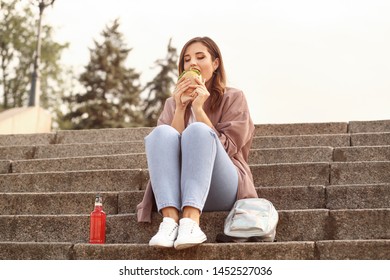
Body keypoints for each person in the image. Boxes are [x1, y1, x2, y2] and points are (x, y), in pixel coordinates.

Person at [137, 36, 258, 250]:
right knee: (161, 133)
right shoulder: (171, 104)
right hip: (177, 190)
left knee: (199, 130)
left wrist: (199, 110)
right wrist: (181, 108)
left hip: (221, 186)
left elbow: (228, 148)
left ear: (215, 64)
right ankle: (170, 222)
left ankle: (191, 222)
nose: (192, 63)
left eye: (200, 57)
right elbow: (166, 152)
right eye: (187, 59)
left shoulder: (234, 97)